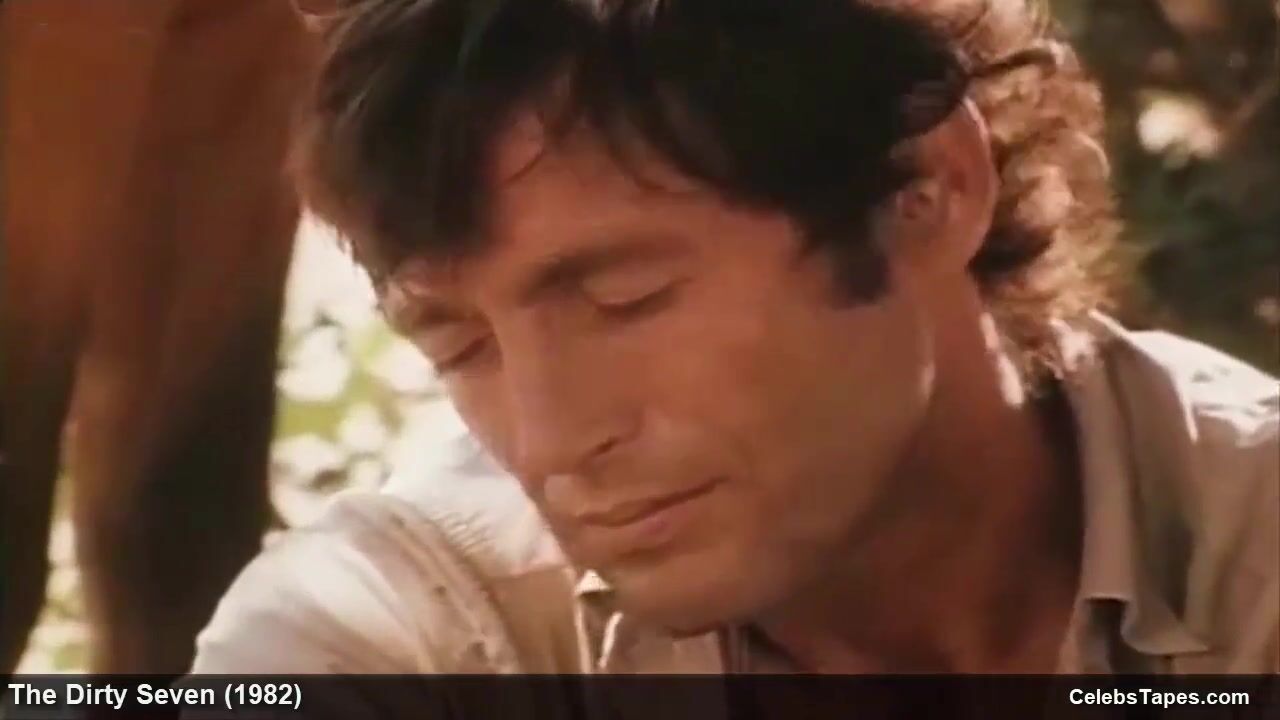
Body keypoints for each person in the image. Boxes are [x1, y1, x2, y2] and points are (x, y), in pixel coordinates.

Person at [191, 0, 1278, 676]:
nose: (552, 440)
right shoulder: (422, 632)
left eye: (625, 298)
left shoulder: (1250, 552)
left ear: (925, 191)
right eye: (459, 344)